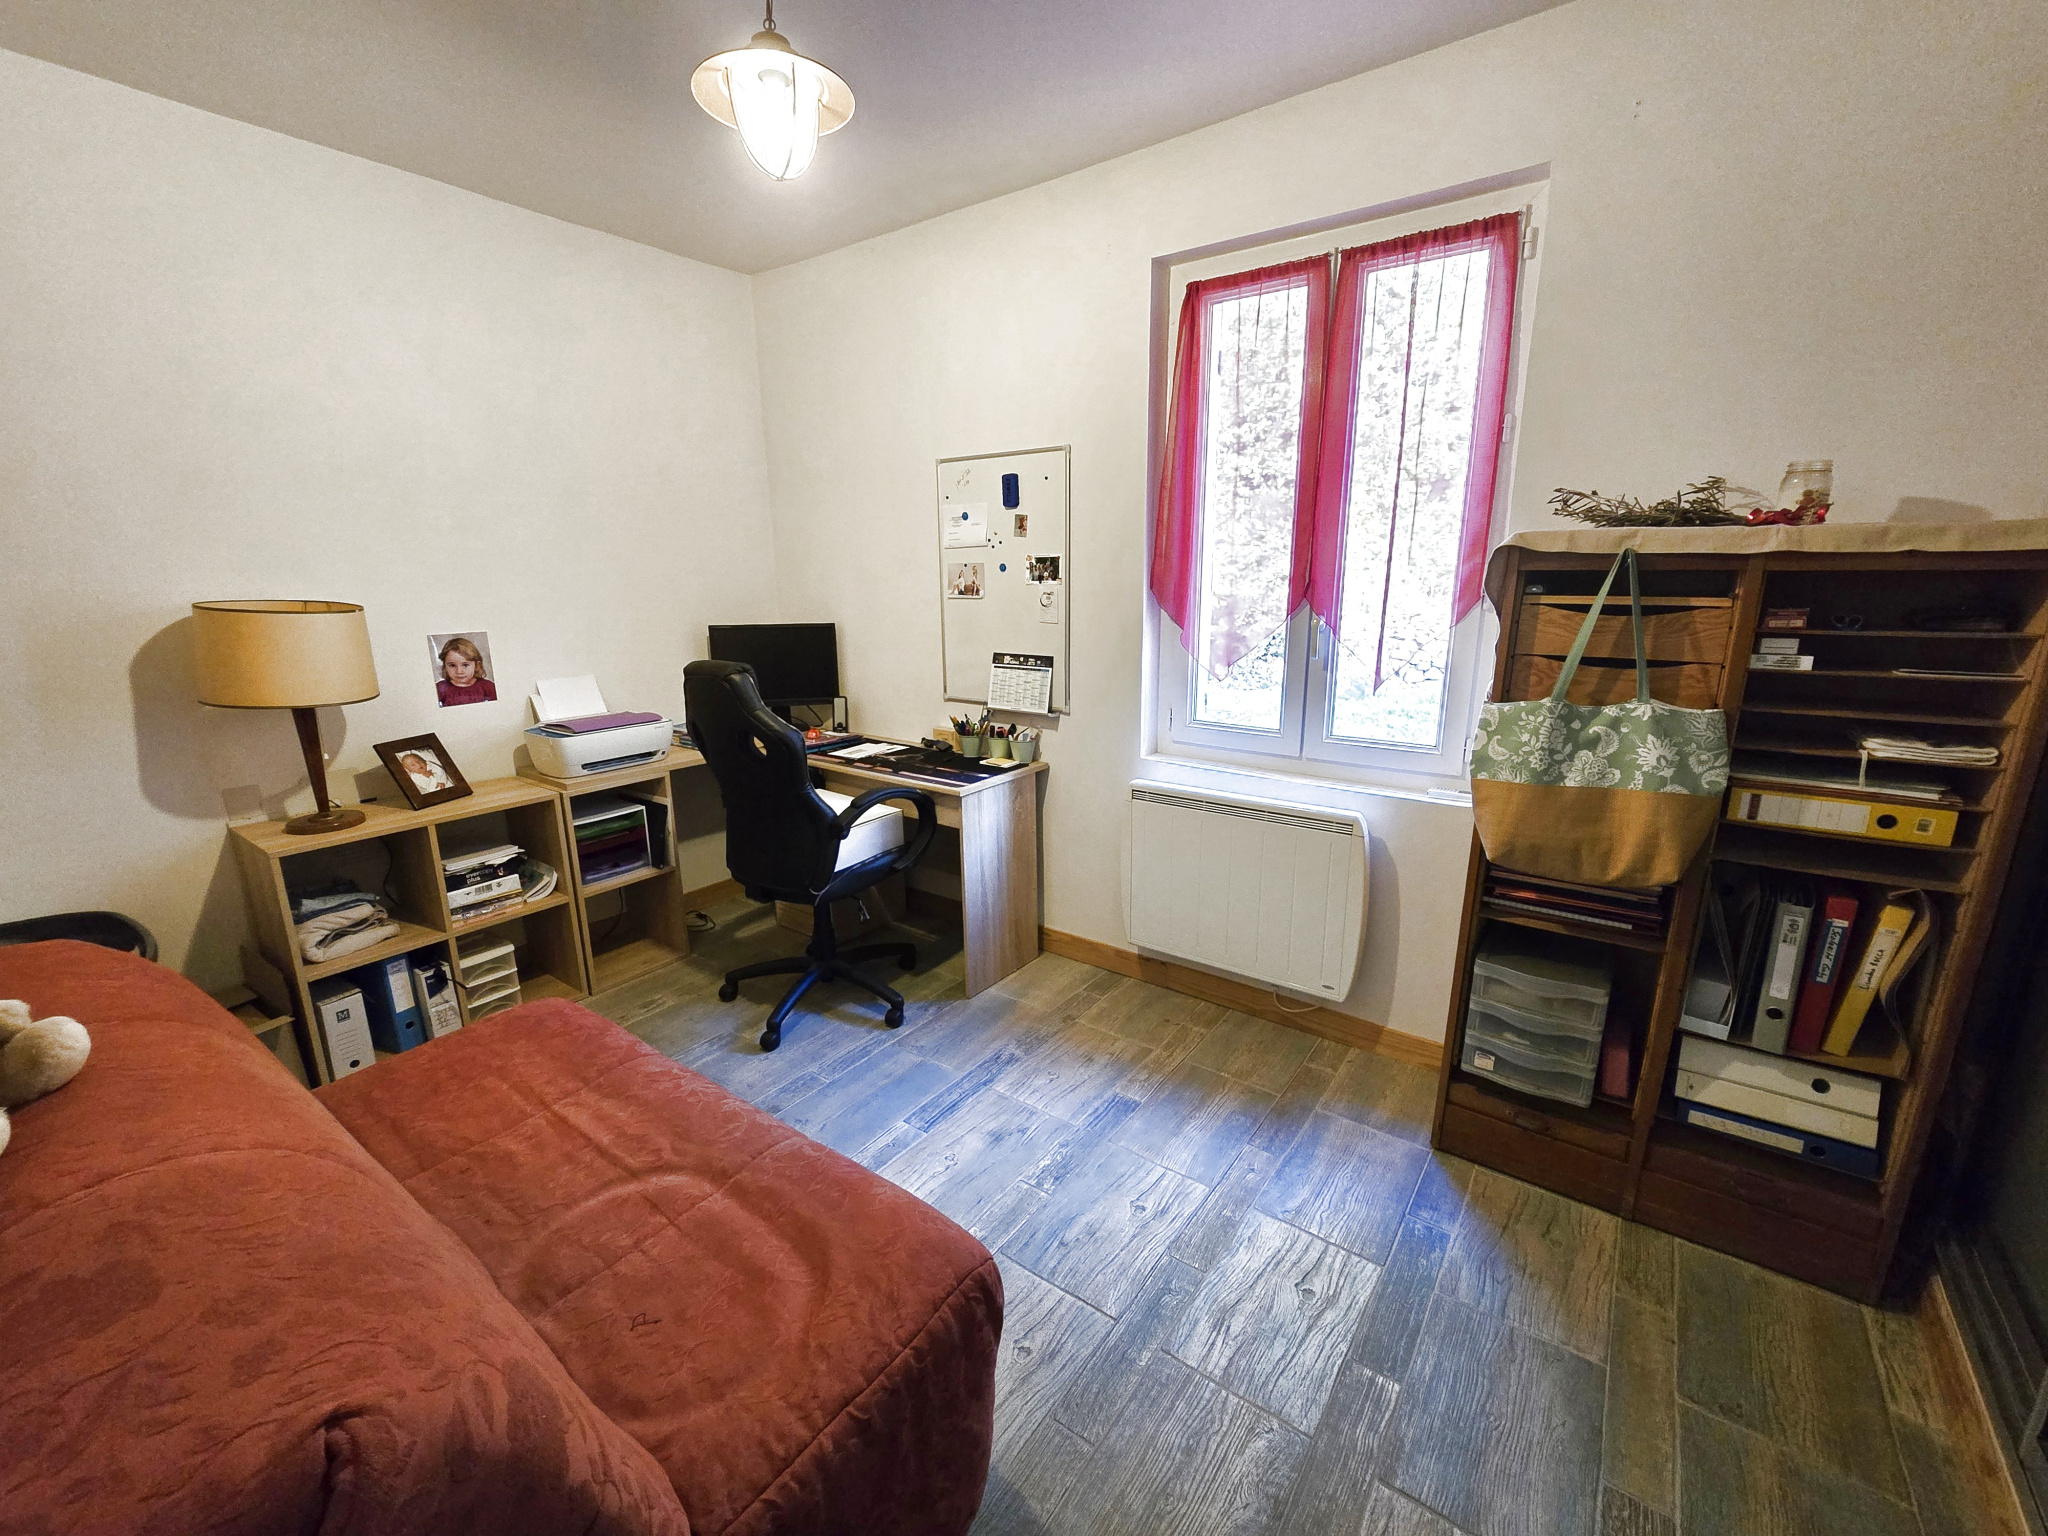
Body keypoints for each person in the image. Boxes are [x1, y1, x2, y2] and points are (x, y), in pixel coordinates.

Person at [436, 636, 497, 706]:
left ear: (477, 665)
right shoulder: (439, 689)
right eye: (452, 665)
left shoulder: (488, 687)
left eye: (465, 665)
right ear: (445, 666)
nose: (459, 671)